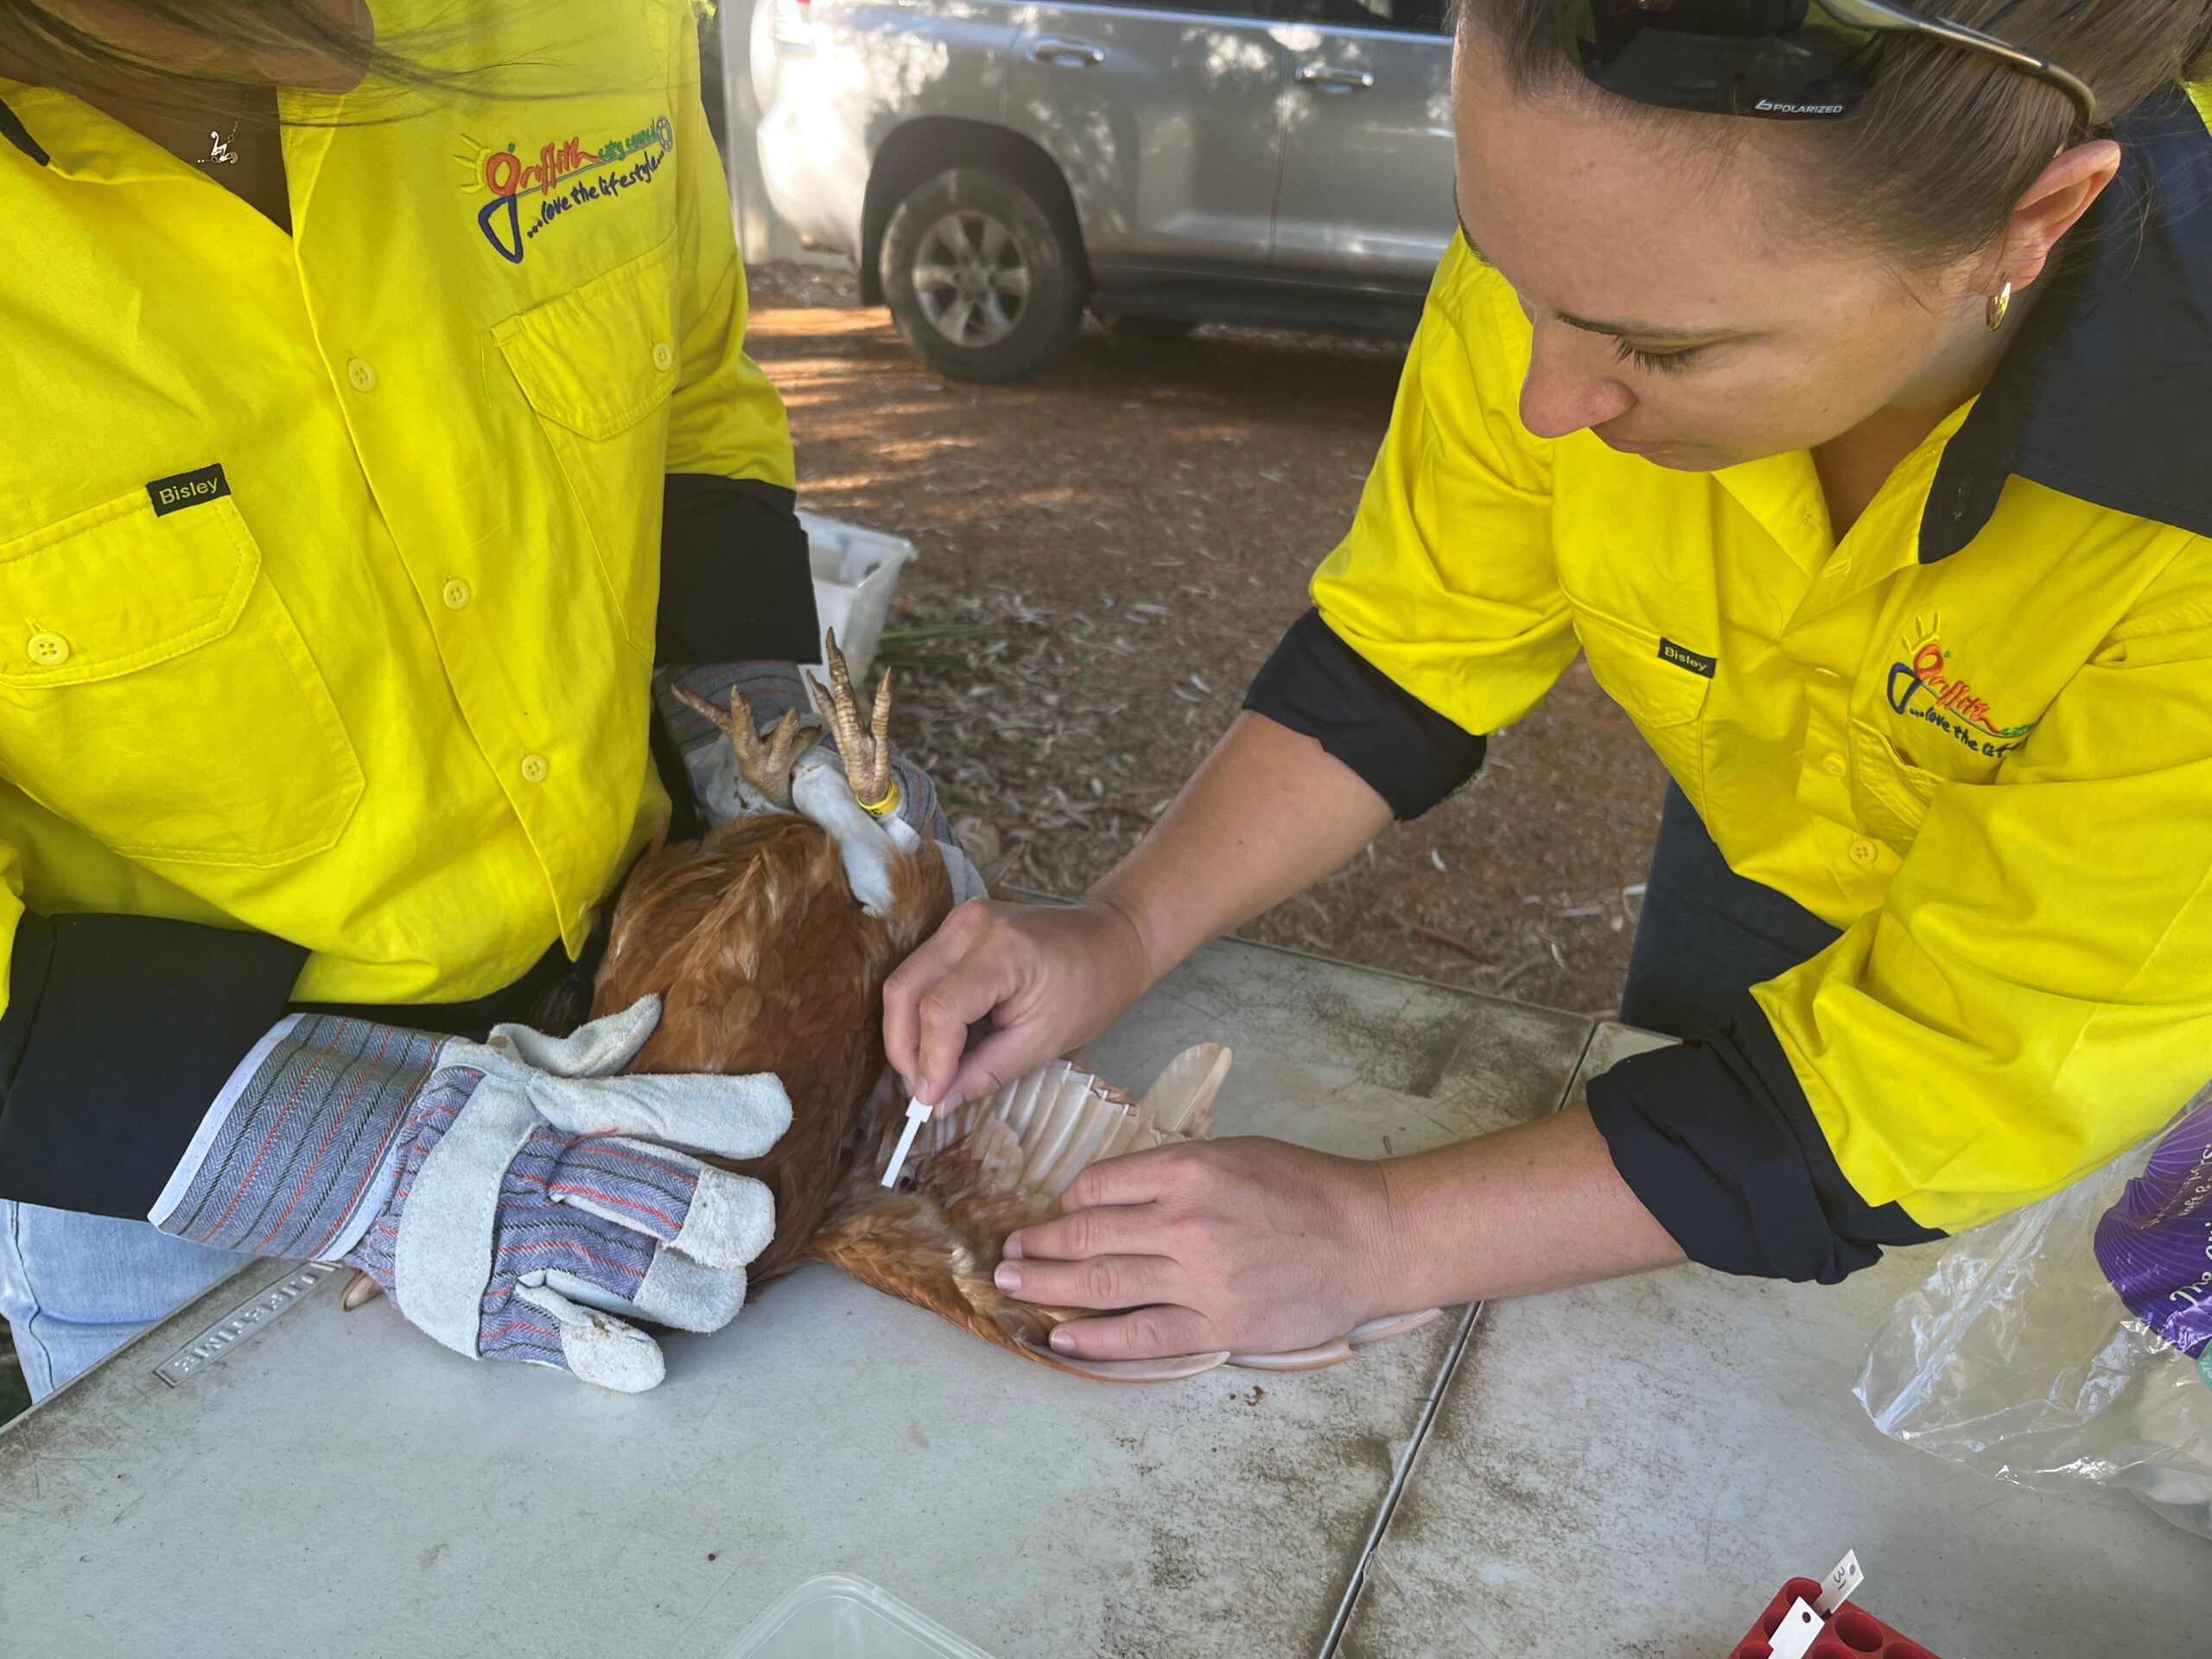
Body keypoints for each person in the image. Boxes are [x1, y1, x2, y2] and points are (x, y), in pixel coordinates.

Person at [885, 0, 2212, 1366]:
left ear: (2032, 218)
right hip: (1767, 822)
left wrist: (1378, 1236)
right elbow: (1403, 655)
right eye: (1511, 275)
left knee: (2006, 1365)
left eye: (1662, 351)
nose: (1544, 400)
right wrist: (1121, 926)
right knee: (1689, 1293)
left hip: (2141, 986)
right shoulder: (1590, 242)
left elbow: (1946, 1082)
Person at [0, 0, 972, 1397]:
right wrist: (320, 1153)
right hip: (175, 1154)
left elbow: (685, 394)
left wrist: (760, 718)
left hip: (656, 1007)